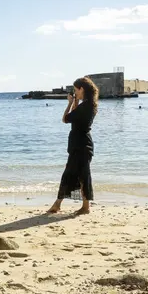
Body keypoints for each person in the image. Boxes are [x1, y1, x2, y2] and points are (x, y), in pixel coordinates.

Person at [47, 77, 99, 215]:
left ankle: (59, 205)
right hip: (82, 144)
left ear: (82, 89)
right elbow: (75, 118)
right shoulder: (88, 105)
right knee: (82, 176)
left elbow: (66, 119)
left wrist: (70, 103)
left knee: (72, 174)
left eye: (76, 90)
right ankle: (84, 206)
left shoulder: (86, 106)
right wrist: (75, 102)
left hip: (80, 145)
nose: (75, 92)